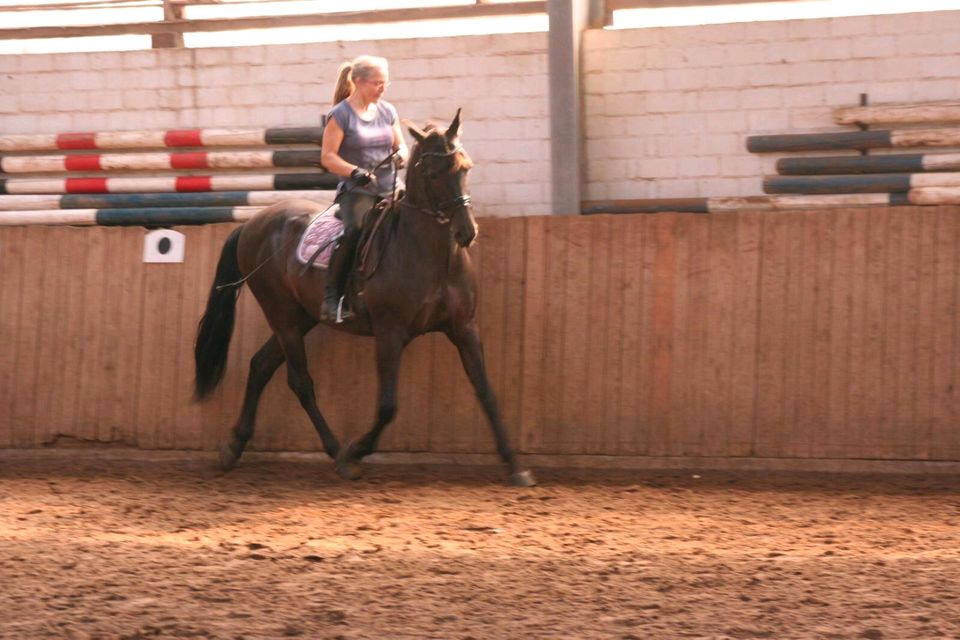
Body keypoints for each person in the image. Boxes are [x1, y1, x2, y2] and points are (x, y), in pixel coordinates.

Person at [320, 55, 407, 322]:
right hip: (358, 191)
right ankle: (332, 297)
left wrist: (401, 155)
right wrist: (354, 171)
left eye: (385, 83)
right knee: (355, 229)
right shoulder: (341, 115)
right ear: (358, 82)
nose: (382, 88)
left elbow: (400, 145)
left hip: (391, 186)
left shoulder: (388, 111)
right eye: (377, 83)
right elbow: (328, 157)